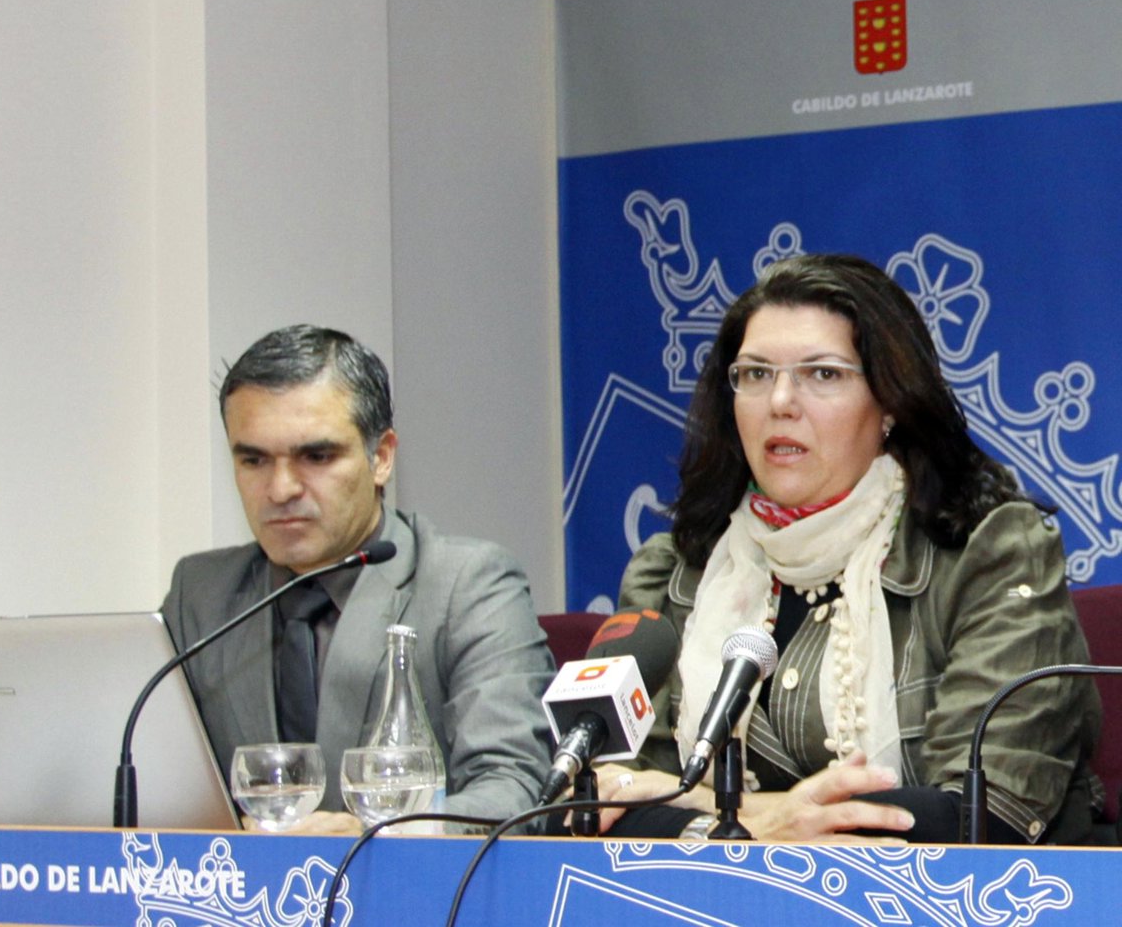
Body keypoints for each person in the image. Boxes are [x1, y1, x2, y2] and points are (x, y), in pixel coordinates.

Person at [596, 253, 1101, 844]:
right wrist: (764, 821)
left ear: (890, 402)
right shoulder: (675, 573)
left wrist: (722, 814)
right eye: (756, 374)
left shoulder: (988, 553)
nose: (780, 401)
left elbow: (985, 811)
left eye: (823, 374)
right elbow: (595, 800)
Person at [162, 324, 555, 834]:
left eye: (316, 457)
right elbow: (149, 781)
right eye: (254, 460)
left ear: (381, 457)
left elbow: (515, 790)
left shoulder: (469, 586)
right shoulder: (200, 593)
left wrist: (378, 839)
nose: (280, 489)